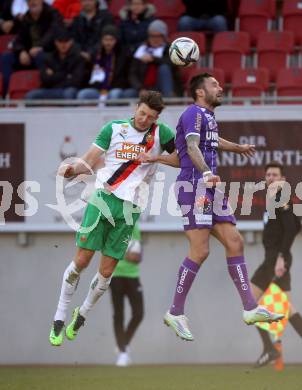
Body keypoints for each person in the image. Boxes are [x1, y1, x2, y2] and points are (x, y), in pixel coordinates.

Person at [140, 73, 284, 341]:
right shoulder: (193, 113)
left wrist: (237, 148)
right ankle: (175, 311)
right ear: (200, 92)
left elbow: (202, 147)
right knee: (201, 250)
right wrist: (206, 172)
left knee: (235, 241)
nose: (220, 87)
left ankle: (250, 308)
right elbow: (192, 147)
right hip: (195, 187)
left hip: (209, 189)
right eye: (214, 84)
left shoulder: (208, 118)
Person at [49, 90, 176, 346]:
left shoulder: (162, 134)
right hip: (102, 199)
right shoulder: (113, 128)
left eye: (150, 117)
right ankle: (60, 315)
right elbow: (88, 161)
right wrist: (70, 171)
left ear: (156, 118)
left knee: (106, 272)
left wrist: (156, 157)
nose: (144, 120)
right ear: (136, 107)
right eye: (142, 113)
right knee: (82, 261)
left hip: (130, 209)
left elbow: (182, 159)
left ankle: (81, 313)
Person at [251, 161, 302, 368]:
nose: (271, 178)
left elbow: (291, 228)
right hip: (274, 259)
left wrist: (281, 257)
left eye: (275, 175)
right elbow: (296, 223)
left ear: (282, 179)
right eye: (268, 175)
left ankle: (269, 349)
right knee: (289, 310)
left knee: (249, 302)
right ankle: (270, 349)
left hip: (275, 260)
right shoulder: (273, 199)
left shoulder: (281, 197)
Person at [1, 0, 62, 96]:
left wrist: (40, 46)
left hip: (49, 53)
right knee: (6, 58)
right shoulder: (26, 17)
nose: (32, 2)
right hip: (29, 55)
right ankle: (6, 94)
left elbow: (53, 34)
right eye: (29, 1)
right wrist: (21, 51)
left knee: (41, 57)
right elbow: (18, 39)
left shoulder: (53, 14)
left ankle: (44, 93)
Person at [110, 222, 143, 367]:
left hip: (133, 276)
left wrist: (135, 256)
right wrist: (124, 253)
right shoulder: (111, 226)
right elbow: (107, 250)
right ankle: (123, 353)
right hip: (115, 275)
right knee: (119, 314)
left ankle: (123, 343)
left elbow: (138, 255)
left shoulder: (135, 227)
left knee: (139, 313)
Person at [77, 24, 136, 101]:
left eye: (111, 40)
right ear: (101, 40)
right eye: (105, 39)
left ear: (116, 40)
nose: (108, 43)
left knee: (114, 94)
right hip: (98, 90)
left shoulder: (124, 55)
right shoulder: (97, 54)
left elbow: (125, 77)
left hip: (115, 88)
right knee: (82, 94)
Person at [25, 27, 86, 100]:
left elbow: (76, 81)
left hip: (67, 90)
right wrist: (66, 75)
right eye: (60, 41)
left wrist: (54, 75)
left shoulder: (78, 58)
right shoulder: (48, 58)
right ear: (55, 42)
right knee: (31, 95)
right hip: (49, 90)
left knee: (69, 93)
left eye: (66, 41)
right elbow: (44, 79)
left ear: (71, 42)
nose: (63, 45)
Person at [128, 19, 182, 98]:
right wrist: (140, 88)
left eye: (158, 36)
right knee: (123, 94)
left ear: (164, 37)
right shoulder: (141, 50)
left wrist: (154, 59)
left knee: (164, 68)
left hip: (163, 88)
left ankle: (169, 100)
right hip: (144, 89)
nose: (155, 39)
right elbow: (132, 74)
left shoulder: (170, 49)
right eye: (152, 36)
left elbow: (173, 63)